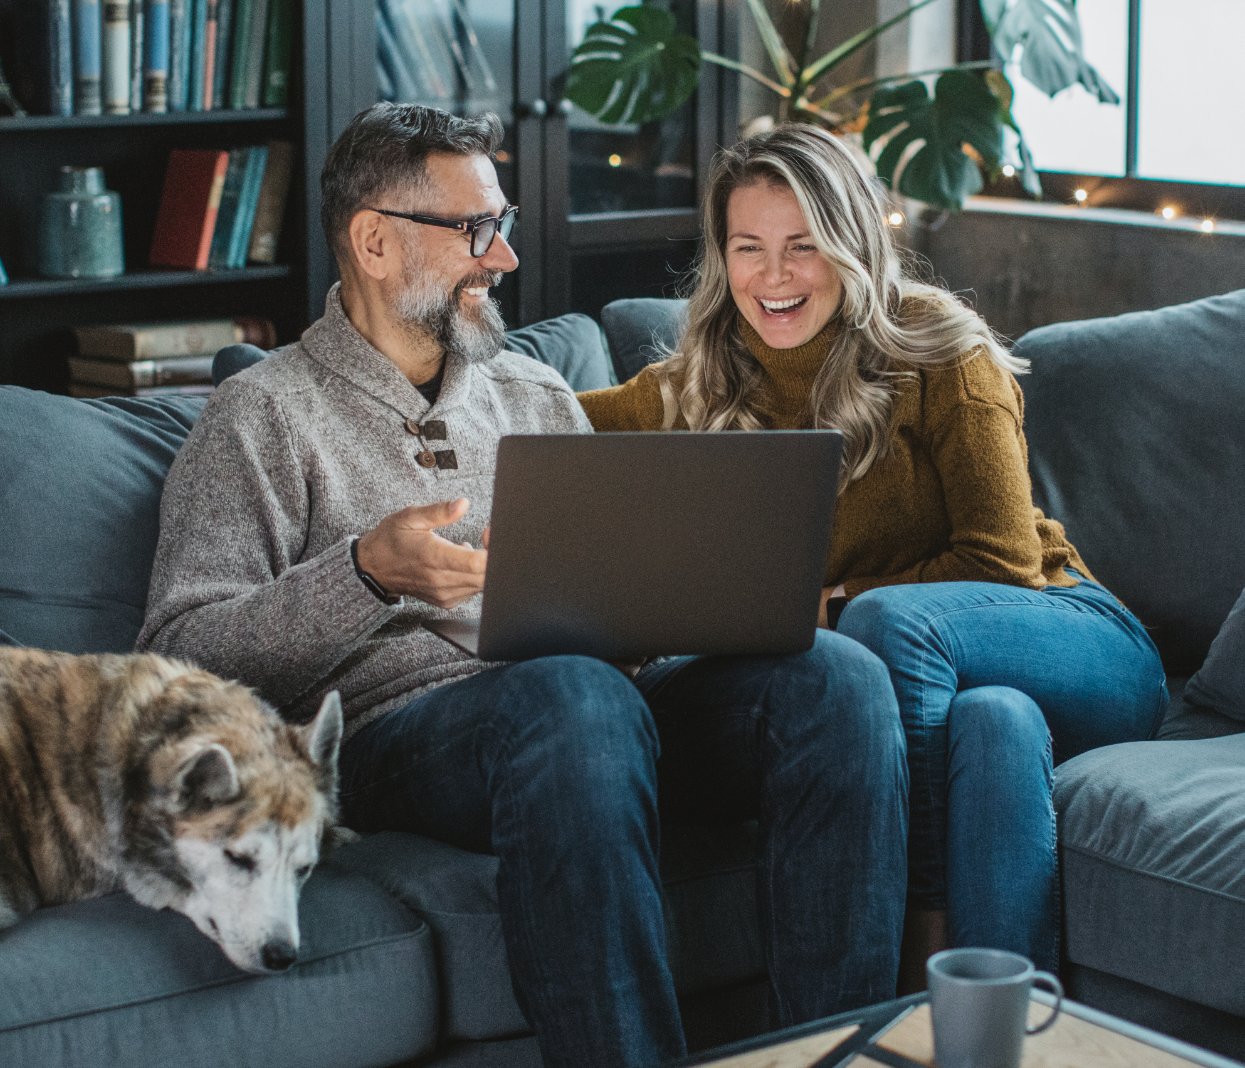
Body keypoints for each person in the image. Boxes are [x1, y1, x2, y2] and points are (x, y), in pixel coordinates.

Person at [137, 103, 910, 1068]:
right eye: (475, 231)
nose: (501, 259)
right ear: (374, 241)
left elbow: (611, 600)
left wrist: (667, 608)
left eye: (498, 226)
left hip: (592, 703)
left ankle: (842, 1056)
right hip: (403, 736)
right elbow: (178, 654)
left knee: (833, 678)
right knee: (574, 698)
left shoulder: (534, 395)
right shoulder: (260, 415)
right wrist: (365, 573)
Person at [578, 122, 1168, 978]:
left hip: (1075, 638)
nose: (772, 277)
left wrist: (838, 604)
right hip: (969, 690)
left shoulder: (937, 346)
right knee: (992, 724)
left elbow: (1003, 561)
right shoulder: (698, 380)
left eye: (803, 247)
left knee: (890, 624)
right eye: (748, 248)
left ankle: (914, 936)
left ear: (850, 243)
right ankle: (999, 1022)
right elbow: (545, 426)